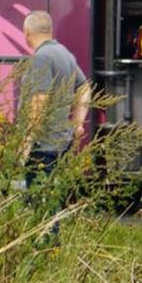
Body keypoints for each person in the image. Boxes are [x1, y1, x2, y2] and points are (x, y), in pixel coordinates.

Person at [20, 11, 92, 197]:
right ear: (49, 31)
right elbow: (84, 88)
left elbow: (39, 101)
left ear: (27, 32)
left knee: (39, 202)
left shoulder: (41, 58)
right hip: (61, 142)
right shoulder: (64, 54)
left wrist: (28, 141)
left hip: (42, 145)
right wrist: (77, 125)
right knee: (51, 200)